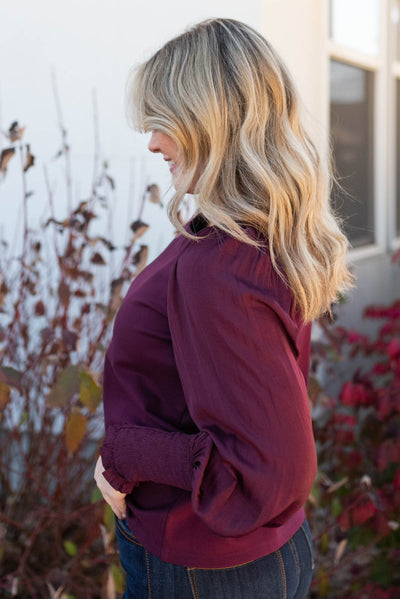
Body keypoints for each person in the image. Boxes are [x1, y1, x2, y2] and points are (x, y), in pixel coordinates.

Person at [94, 18, 353, 599]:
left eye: (162, 121)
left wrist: (122, 452)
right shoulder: (252, 234)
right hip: (244, 558)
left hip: (205, 566)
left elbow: (267, 468)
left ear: (210, 121)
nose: (152, 141)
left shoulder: (222, 265)